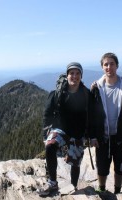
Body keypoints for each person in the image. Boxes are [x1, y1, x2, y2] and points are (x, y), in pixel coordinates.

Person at [38, 62, 95, 197]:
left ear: (81, 76)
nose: (74, 76)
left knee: (75, 163)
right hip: (60, 129)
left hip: (78, 133)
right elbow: (47, 114)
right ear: (67, 75)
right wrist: (45, 135)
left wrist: (92, 136)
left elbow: (92, 116)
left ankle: (74, 186)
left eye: (77, 73)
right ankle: (52, 183)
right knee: (50, 146)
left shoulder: (86, 94)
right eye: (71, 73)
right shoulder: (57, 93)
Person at [90, 53, 122, 194]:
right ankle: (102, 189)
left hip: (121, 136)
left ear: (117, 65)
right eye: (106, 64)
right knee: (102, 167)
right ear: (102, 67)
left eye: (112, 64)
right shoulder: (96, 88)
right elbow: (91, 115)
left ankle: (118, 191)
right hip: (103, 137)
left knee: (120, 167)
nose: (109, 67)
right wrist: (92, 136)